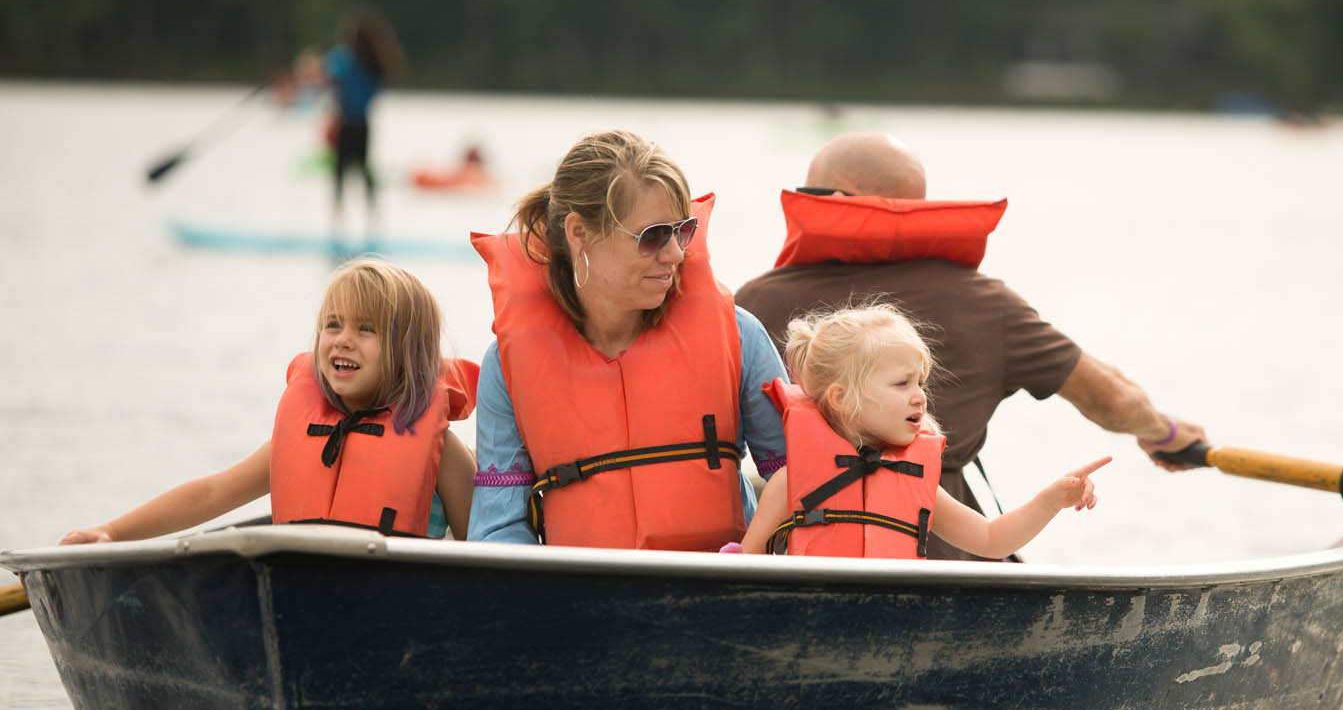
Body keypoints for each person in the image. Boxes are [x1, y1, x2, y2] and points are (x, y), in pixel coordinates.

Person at [734, 130, 1208, 559]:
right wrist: (1163, 432)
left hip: (822, 549)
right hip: (950, 562)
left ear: (833, 199)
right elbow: (1113, 398)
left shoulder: (752, 305)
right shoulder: (987, 303)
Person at [468, 129, 787, 549]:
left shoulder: (739, 334)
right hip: (584, 599)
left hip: (720, 593)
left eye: (683, 231)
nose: (675, 254)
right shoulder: (507, 366)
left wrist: (749, 563)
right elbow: (498, 528)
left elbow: (800, 479)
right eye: (653, 236)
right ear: (579, 233)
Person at [60, 259, 478, 544]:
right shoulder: (303, 434)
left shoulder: (442, 452)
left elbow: (477, 546)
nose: (342, 339)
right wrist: (112, 533)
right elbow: (209, 494)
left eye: (365, 329)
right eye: (333, 325)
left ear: (406, 352)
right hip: (305, 600)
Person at [740, 304, 1108, 559]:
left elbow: (991, 539)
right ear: (840, 398)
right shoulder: (790, 484)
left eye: (921, 382)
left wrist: (1050, 501)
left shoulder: (916, 483)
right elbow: (746, 568)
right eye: (902, 384)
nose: (920, 397)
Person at [300, 5, 404, 232]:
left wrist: (307, 67)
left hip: (345, 124)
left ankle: (337, 224)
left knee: (339, 174)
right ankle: (374, 223)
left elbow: (324, 77)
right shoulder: (376, 63)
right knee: (364, 171)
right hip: (363, 124)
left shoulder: (344, 59)